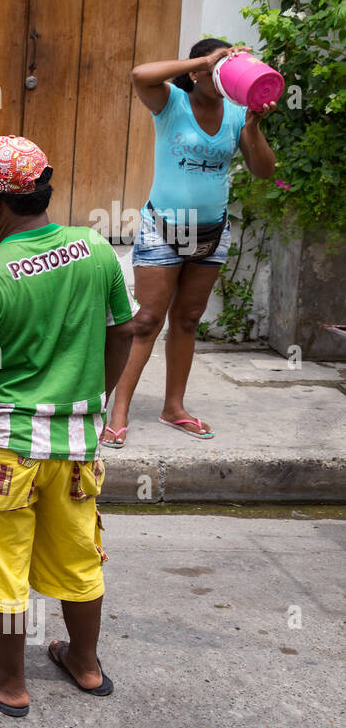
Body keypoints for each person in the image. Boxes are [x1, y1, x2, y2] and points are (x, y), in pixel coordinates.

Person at [0, 135, 138, 718]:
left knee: (0, 566)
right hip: (75, 448)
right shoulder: (95, 251)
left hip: (3, 452)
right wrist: (95, 396)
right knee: (78, 557)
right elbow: (124, 332)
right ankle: (86, 665)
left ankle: (8, 681)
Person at [101, 38, 276, 447]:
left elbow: (264, 171)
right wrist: (205, 61)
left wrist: (252, 127)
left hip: (212, 234)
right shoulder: (171, 104)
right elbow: (139, 74)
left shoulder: (236, 114)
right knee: (146, 322)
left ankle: (173, 408)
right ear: (197, 73)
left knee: (187, 320)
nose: (226, 75)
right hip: (164, 229)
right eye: (219, 69)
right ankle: (118, 411)